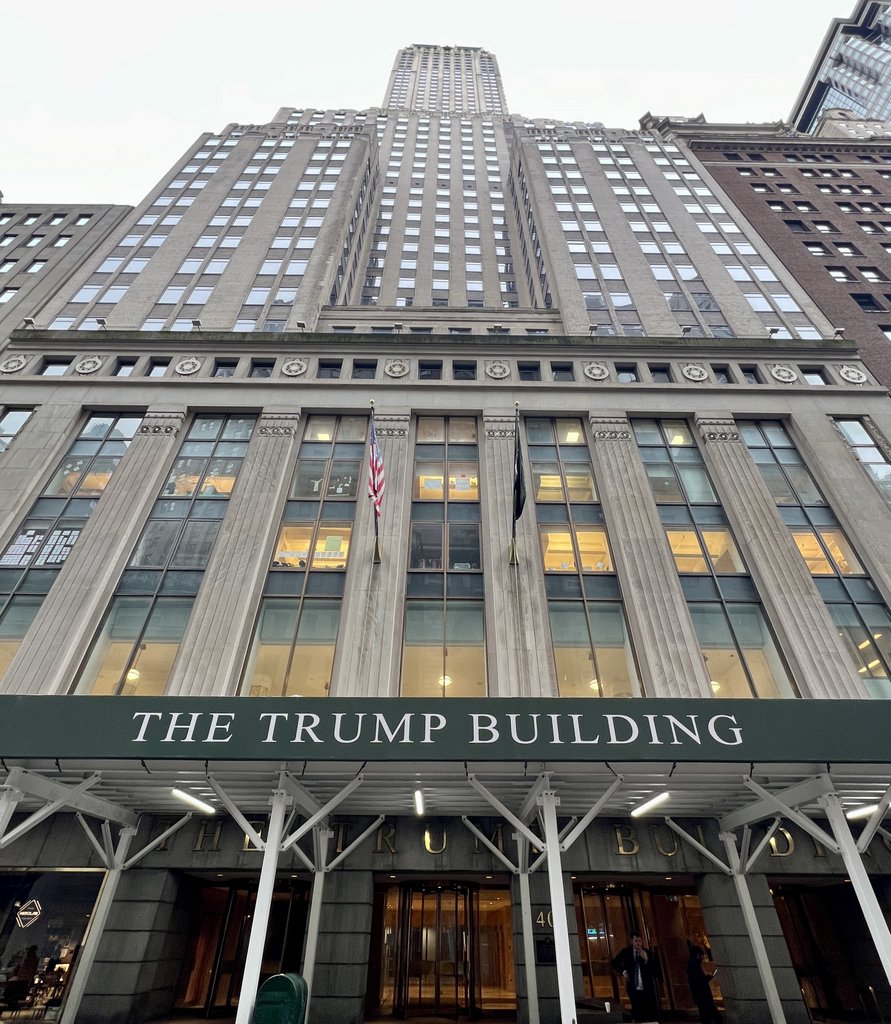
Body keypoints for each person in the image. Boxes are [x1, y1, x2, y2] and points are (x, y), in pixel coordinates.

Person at [612, 931, 660, 1022]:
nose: (638, 943)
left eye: (640, 941)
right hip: (634, 989)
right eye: (636, 941)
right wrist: (623, 971)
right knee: (637, 1014)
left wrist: (646, 960)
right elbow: (614, 963)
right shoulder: (626, 952)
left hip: (647, 989)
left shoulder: (647, 953)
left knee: (650, 1014)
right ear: (632, 941)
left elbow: (655, 971)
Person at [687, 945, 720, 1024]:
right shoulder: (695, 965)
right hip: (703, 994)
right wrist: (708, 977)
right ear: (698, 955)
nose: (702, 958)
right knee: (710, 1014)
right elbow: (700, 980)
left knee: (705, 1014)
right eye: (702, 955)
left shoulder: (692, 965)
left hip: (700, 995)